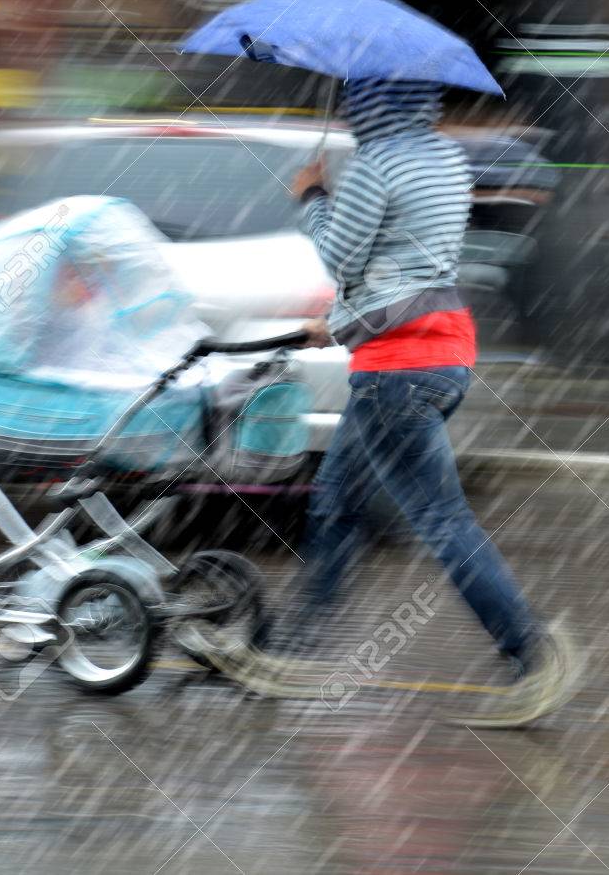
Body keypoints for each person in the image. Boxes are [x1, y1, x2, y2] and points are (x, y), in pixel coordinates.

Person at [213, 78, 583, 728]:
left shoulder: (377, 165)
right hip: (443, 352)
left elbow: (338, 254)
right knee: (338, 504)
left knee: (438, 521)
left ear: (369, 105)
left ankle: (530, 654)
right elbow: (412, 263)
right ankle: (296, 650)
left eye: (357, 101)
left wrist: (313, 196)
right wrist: (349, 317)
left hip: (397, 371)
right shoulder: (443, 157)